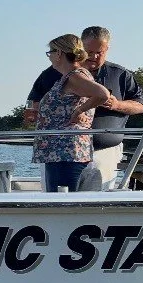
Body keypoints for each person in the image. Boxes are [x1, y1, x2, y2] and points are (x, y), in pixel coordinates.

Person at [26, 26, 143, 187]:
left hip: (94, 152)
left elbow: (140, 105)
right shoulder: (52, 74)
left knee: (81, 203)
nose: (94, 56)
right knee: (68, 201)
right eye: (89, 51)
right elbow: (33, 101)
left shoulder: (119, 74)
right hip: (61, 153)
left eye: (100, 52)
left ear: (107, 49)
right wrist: (35, 113)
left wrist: (116, 105)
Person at [32, 34, 111, 192]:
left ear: (59, 53)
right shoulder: (76, 75)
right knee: (68, 205)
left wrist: (80, 109)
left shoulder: (74, 77)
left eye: (51, 53)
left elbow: (103, 94)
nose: (50, 58)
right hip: (66, 152)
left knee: (61, 205)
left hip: (64, 153)